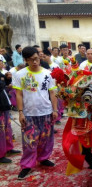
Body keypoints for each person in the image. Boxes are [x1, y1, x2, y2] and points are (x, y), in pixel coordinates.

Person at [13, 46, 58, 179]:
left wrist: (55, 110)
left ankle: (43, 158)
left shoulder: (47, 74)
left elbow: (52, 92)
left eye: (37, 59)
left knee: (46, 138)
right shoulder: (20, 75)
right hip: (29, 113)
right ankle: (27, 165)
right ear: (26, 60)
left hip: (46, 111)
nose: (35, 62)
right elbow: (19, 94)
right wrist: (20, 112)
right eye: (32, 60)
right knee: (29, 141)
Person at [0, 64, 21, 164]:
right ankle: (0, 155)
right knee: (1, 130)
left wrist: (7, 79)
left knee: (7, 128)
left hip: (4, 104)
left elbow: (4, 86)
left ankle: (8, 148)